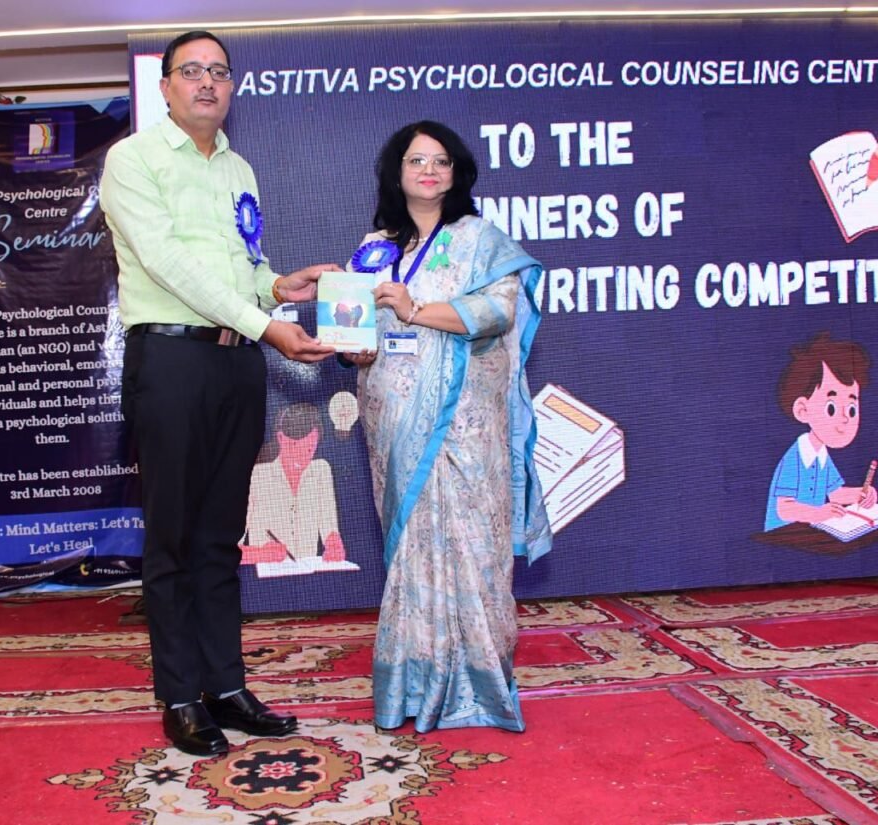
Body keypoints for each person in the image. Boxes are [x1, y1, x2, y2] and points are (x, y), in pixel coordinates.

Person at [99, 30, 336, 757]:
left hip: (238, 364)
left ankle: (225, 687)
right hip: (172, 360)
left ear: (232, 87)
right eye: (192, 71)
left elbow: (244, 262)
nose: (207, 82)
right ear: (165, 86)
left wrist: (281, 286)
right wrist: (267, 324)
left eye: (220, 72)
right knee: (172, 535)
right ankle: (179, 695)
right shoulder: (133, 159)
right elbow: (168, 262)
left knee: (219, 536)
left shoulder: (239, 167)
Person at [345, 121, 552, 732]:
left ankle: (479, 687)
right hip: (394, 418)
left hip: (465, 422)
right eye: (416, 160)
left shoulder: (481, 240)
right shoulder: (375, 246)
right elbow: (356, 324)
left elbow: (497, 312)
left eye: (441, 161)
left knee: (474, 546)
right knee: (412, 549)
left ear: (457, 172)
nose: (429, 171)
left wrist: (415, 309)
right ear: (397, 172)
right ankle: (412, 685)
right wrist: (353, 346)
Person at [764, 332, 877, 531]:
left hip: (812, 533)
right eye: (831, 408)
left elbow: (835, 493)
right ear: (802, 409)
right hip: (783, 536)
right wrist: (818, 513)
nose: (845, 418)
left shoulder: (821, 455)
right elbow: (784, 509)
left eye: (851, 409)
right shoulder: (795, 457)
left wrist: (862, 493)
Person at [240, 402, 347, 566]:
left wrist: (333, 543)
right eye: (294, 446)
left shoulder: (321, 471)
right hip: (265, 575)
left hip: (308, 573)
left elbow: (329, 523)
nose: (301, 457)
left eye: (309, 449)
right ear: (280, 438)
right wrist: (259, 554)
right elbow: (225, 549)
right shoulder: (256, 476)